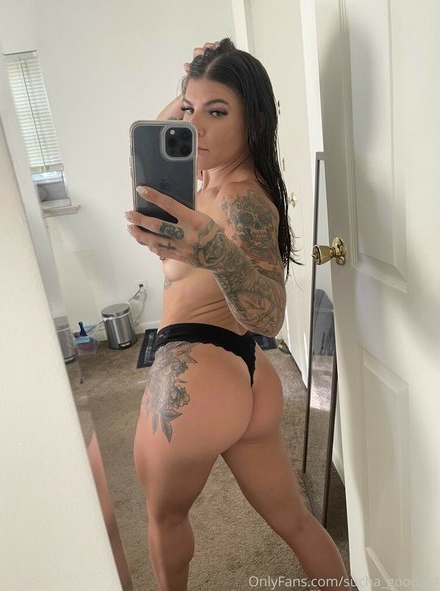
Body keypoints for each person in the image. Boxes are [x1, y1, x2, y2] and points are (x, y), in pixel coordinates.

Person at [125, 39, 349, 591]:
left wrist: (216, 254)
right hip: (242, 375)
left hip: (196, 377)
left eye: (218, 112)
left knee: (163, 519)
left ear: (254, 120)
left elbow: (269, 316)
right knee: (295, 522)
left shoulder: (241, 200)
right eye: (190, 109)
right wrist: (191, 83)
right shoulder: (206, 184)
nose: (195, 126)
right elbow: (158, 135)